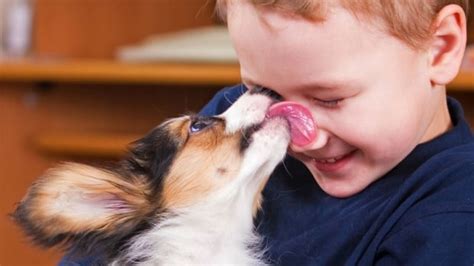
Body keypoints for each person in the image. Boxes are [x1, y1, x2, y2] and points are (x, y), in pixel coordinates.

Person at [61, 0, 474, 265]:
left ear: (440, 48)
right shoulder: (240, 126)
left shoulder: (454, 216)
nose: (299, 135)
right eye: (264, 91)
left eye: (330, 99)